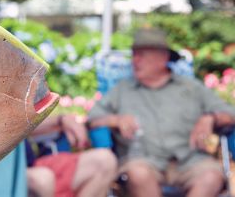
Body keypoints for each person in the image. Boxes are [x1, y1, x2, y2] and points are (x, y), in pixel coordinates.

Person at [87, 27, 235, 197]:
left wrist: (211, 118)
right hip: (142, 161)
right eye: (134, 54)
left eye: (142, 55)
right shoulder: (122, 90)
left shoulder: (191, 88)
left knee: (211, 176)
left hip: (190, 161)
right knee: (139, 174)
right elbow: (92, 120)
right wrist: (115, 120)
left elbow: (231, 113)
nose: (135, 61)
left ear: (163, 58)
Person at [27, 114, 118, 197]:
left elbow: (26, 125)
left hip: (32, 164)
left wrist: (61, 120)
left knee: (104, 160)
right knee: (43, 179)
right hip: (19, 175)